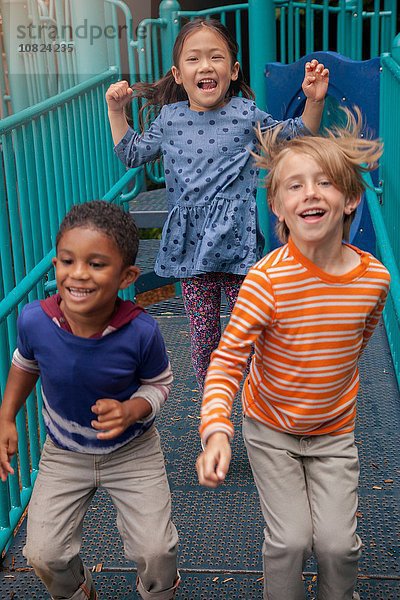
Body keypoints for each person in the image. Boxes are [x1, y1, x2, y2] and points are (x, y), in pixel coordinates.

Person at [196, 109, 390, 600]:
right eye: (295, 186)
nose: (310, 193)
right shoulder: (266, 281)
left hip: (332, 431)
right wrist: (216, 429)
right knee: (289, 540)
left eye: (324, 183)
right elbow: (228, 359)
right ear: (278, 208)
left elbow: (355, 341)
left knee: (338, 547)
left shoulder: (373, 281)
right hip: (270, 427)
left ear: (349, 199)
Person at [105, 18, 329, 391]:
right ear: (178, 74)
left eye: (216, 57)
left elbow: (295, 136)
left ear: (233, 70)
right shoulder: (171, 118)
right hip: (192, 249)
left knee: (254, 330)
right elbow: (132, 154)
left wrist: (314, 100)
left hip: (238, 243)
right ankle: (215, 410)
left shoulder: (244, 113)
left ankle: (259, 403)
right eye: (194, 59)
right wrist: (116, 112)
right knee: (204, 338)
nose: (205, 66)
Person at [0, 201, 179, 600]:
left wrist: (133, 409)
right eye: (67, 260)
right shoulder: (35, 321)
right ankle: (78, 591)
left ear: (127, 276)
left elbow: (160, 383)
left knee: (157, 549)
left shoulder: (140, 333)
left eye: (96, 264)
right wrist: (6, 416)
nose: (78, 274)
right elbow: (24, 363)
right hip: (65, 452)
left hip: (132, 450)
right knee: (43, 553)